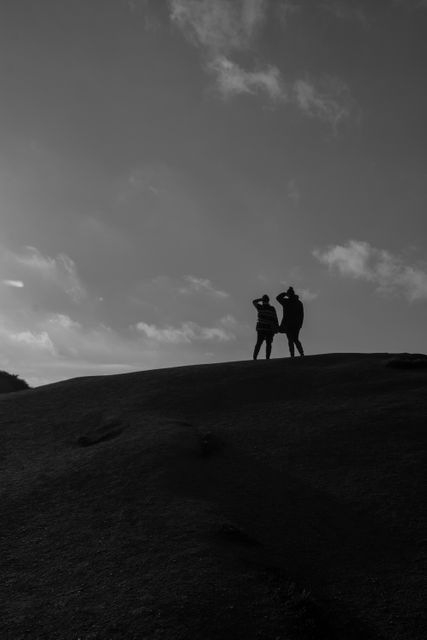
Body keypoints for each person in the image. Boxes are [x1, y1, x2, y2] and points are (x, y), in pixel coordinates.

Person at [276, 287, 304, 358]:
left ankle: (293, 355)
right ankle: (301, 353)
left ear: (289, 294)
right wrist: (300, 324)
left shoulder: (286, 302)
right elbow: (302, 315)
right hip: (296, 324)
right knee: (295, 339)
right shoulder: (299, 303)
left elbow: (278, 298)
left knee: (291, 340)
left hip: (288, 324)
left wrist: (285, 294)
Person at [252, 294, 279, 360]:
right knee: (268, 344)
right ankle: (267, 358)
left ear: (263, 301)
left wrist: (260, 299)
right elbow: (275, 319)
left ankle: (255, 357)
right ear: (268, 301)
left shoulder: (260, 307)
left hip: (261, 329)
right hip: (269, 329)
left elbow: (254, 302)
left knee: (259, 343)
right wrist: (277, 328)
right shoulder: (272, 308)